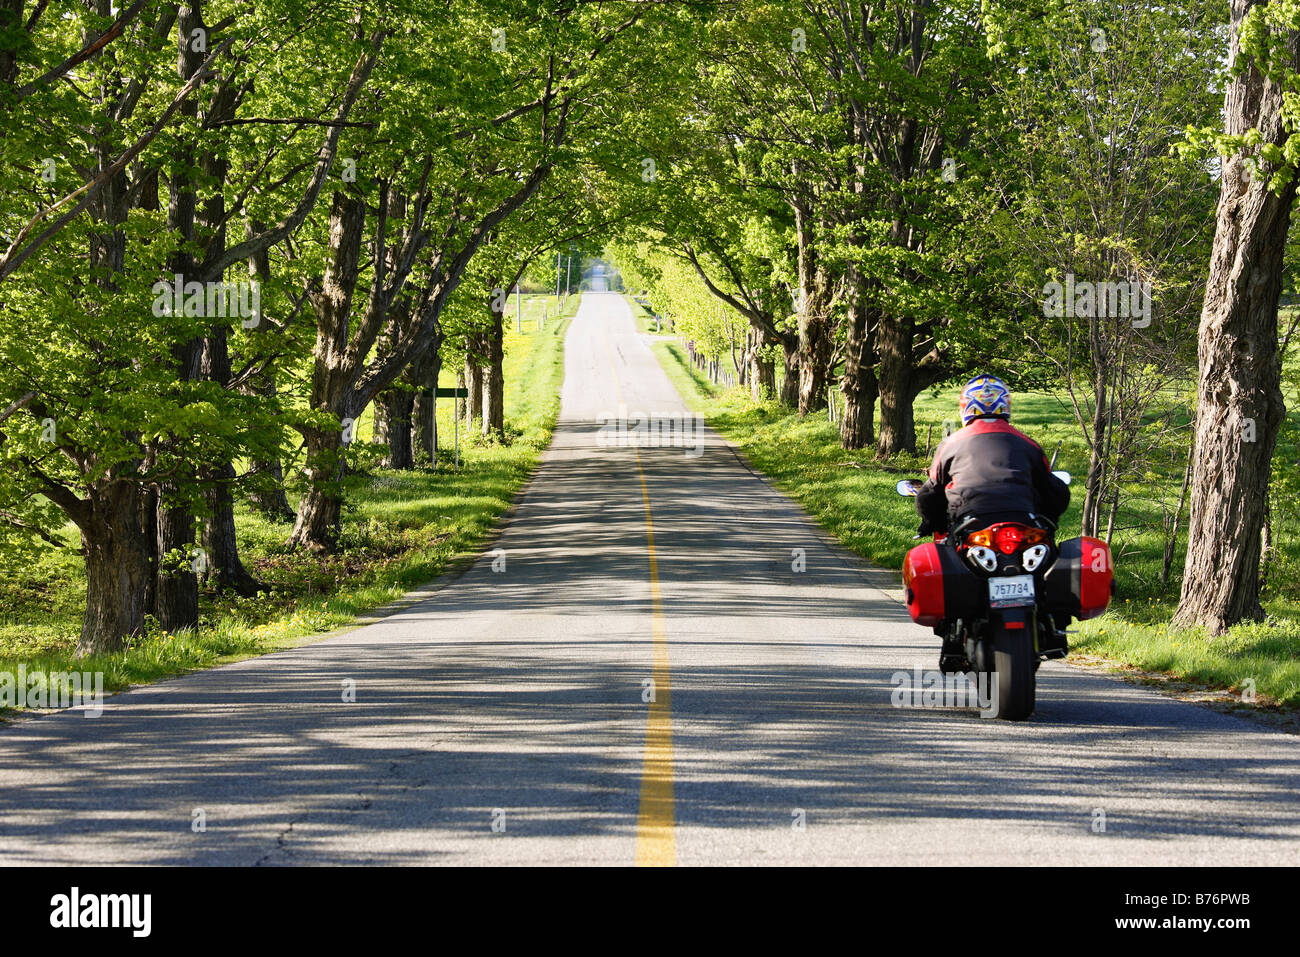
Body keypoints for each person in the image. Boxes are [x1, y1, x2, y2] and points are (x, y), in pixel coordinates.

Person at [915, 375, 1070, 538]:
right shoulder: (1028, 444)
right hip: (1023, 524)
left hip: (970, 524)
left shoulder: (950, 444)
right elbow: (1055, 493)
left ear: (965, 407)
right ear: (1005, 405)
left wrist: (934, 522)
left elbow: (929, 495)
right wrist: (1048, 520)